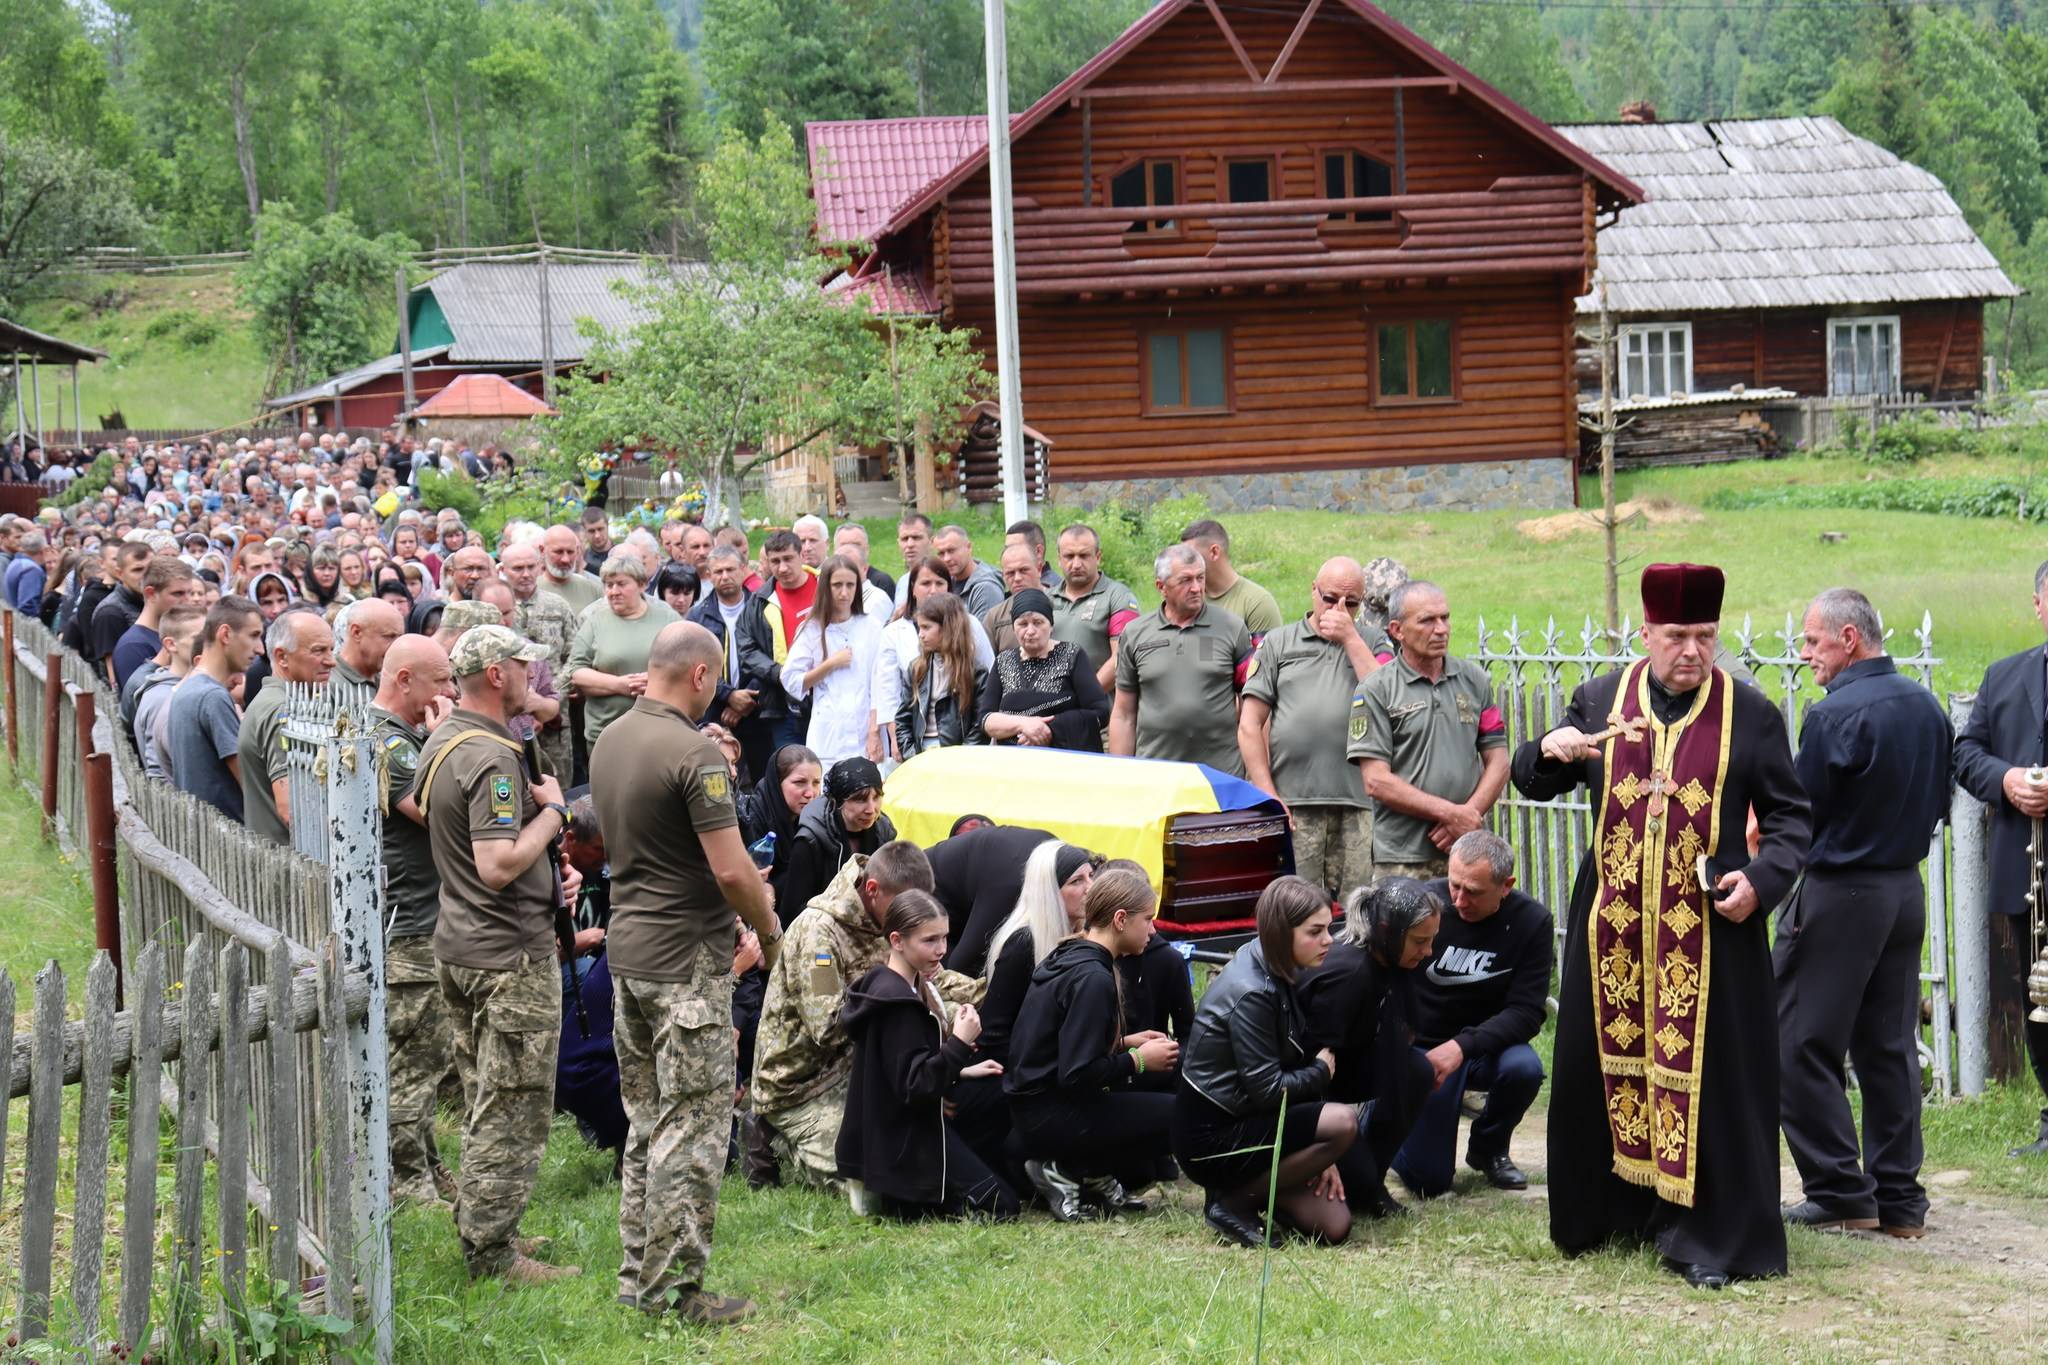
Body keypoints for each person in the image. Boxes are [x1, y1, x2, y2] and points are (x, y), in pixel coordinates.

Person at [1511, 562, 1811, 1289]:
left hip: (1710, 930)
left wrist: (1761, 881)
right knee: (1600, 1069)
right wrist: (1548, 749)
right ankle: (1611, 1212)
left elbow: (1792, 818)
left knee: (1713, 1082)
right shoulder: (1599, 700)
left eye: (1705, 635)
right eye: (1677, 635)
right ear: (1644, 633)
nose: (1692, 650)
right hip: (1611, 929)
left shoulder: (1751, 713)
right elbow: (1532, 777)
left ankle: (1709, 1235)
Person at [592, 621, 780, 1325]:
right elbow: (732, 868)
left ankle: (636, 1273)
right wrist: (768, 929)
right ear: (701, 674)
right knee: (694, 1126)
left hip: (630, 952)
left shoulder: (612, 737)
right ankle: (675, 1292)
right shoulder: (695, 751)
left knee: (648, 1121)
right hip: (684, 963)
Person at [414, 624, 583, 1287]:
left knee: (486, 1096)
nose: (531, 677)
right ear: (495, 674)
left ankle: (489, 1222)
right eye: (522, 666)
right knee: (511, 1106)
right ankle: (492, 1253)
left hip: (461, 942)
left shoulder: (445, 738)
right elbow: (497, 862)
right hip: (506, 955)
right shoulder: (490, 757)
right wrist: (556, 814)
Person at [1779, 589, 1951, 1235]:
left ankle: (1838, 1189)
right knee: (1888, 1046)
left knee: (1794, 1040)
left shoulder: (1832, 715)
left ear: (1849, 638)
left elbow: (1802, 816)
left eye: (1812, 641)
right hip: (1904, 889)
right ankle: (1900, 1201)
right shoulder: (1927, 705)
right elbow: (1940, 800)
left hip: (1841, 890)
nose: (1805, 654)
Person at [749, 840, 947, 1190]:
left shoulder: (889, 921)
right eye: (904, 905)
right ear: (872, 890)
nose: (913, 916)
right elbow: (826, 1026)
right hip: (802, 1085)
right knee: (867, 1178)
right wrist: (889, 988)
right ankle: (771, 1137)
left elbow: (937, 982)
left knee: (925, 1150)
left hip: (865, 1070)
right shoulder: (819, 934)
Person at [1176, 876, 1355, 1247]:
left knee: (1335, 1227)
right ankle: (1231, 1203)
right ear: (1280, 933)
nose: (1328, 940)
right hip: (1213, 1138)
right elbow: (1269, 1090)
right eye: (1315, 931)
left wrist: (1320, 1155)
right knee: (1342, 1122)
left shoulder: (1277, 962)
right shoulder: (1253, 991)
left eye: (1329, 928)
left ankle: (1246, 1192)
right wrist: (1320, 1073)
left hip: (1251, 1120)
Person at [1005, 866, 1179, 1221]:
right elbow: (1076, 1074)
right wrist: (1138, 1060)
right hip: (1048, 1117)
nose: (1152, 930)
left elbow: (1058, 1044)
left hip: (1031, 1108)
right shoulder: (1092, 977)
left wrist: (1123, 1042)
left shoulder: (1070, 955)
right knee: (1181, 1114)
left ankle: (1091, 1169)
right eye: (1147, 919)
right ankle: (1069, 1168)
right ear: (1120, 919)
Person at [837, 889, 1017, 1221]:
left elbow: (897, 1069)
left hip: (903, 1127)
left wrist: (962, 1070)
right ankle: (907, 1200)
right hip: (902, 1144)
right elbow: (915, 1086)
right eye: (930, 940)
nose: (942, 949)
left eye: (945, 937)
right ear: (897, 940)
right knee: (1001, 1207)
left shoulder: (898, 984)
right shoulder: (896, 1002)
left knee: (999, 1092)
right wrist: (959, 1043)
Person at [1390, 831, 1553, 1198]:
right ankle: (1388, 1134)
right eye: (1454, 885)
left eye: (1474, 892)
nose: (1459, 900)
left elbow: (1527, 1012)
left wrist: (1462, 1046)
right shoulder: (1420, 905)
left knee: (1524, 1068)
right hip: (1421, 1047)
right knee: (1428, 1182)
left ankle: (1489, 1149)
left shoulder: (1533, 922)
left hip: (1482, 1048)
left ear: (1506, 885)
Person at [1954, 561, 2048, 1159]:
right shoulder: (2004, 675)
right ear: (2038, 605)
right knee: (2041, 995)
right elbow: (1967, 752)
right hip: (2028, 873)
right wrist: (2008, 779)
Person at [370, 635, 459, 1207]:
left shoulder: (401, 737)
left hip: (420, 915)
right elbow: (435, 812)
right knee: (415, 1062)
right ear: (405, 680)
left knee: (425, 1055)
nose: (449, 690)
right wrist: (443, 740)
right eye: (441, 680)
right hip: (412, 926)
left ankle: (426, 1165)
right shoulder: (391, 743)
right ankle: (408, 1185)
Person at [1239, 557, 1388, 897]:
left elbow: (1387, 697)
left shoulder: (1373, 642)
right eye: (1329, 598)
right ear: (1313, 591)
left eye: (1351, 603)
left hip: (1357, 804)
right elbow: (1249, 724)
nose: (1338, 609)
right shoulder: (1279, 643)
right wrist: (1267, 792)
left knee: (1356, 908)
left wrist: (1350, 638)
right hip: (1293, 803)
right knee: (1294, 905)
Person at [1297, 877, 1442, 1221]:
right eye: (1420, 941)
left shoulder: (1391, 957)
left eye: (1432, 940)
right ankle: (1356, 1179)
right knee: (1356, 1181)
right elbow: (1311, 1062)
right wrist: (1325, 1152)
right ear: (1388, 931)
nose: (1428, 952)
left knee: (1417, 1070)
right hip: (1305, 1084)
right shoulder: (1351, 974)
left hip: (1348, 1066)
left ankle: (1372, 1181)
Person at [955, 840, 1096, 1186]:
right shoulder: (1023, 944)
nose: (1090, 888)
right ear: (1051, 892)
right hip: (1007, 1078)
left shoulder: (1080, 937)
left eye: (1091, 876)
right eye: (1077, 881)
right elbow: (994, 1035)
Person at [1349, 580, 1508, 881]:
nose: (1441, 629)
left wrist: (1467, 816)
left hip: (1467, 855)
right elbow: (1376, 781)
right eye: (1427, 621)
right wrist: (1450, 814)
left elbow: (1499, 760)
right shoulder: (1376, 689)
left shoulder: (1474, 680)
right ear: (1397, 630)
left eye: (1445, 618)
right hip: (1401, 859)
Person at [1108, 544, 1253, 775]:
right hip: (1156, 774)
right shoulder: (1135, 634)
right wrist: (1119, 775)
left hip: (1220, 774)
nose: (1196, 588)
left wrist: (1254, 774)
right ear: (1161, 587)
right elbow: (1124, 714)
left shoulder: (1232, 628)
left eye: (1200, 578)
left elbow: (1251, 709)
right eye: (1185, 580)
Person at [871, 557, 995, 765]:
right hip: (921, 753)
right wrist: (909, 751)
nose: (933, 590)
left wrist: (965, 755)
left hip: (960, 755)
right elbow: (895, 704)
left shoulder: (973, 663)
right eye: (926, 583)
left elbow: (982, 711)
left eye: (940, 583)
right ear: (912, 587)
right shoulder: (915, 665)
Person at [238, 608, 336, 845]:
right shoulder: (281, 709)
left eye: (331, 649)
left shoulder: (279, 701)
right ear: (282, 657)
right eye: (318, 651)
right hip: (289, 858)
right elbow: (292, 810)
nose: (331, 661)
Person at [567, 552, 683, 753]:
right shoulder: (594, 622)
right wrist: (621, 685)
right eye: (608, 585)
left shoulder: (668, 619)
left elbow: (689, 664)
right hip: (607, 733)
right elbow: (577, 673)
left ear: (642, 584)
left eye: (621, 584)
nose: (614, 591)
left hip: (660, 730)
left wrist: (656, 681)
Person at [166, 596, 266, 819]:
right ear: (225, 634)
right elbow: (251, 784)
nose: (260, 649)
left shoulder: (187, 689)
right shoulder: (212, 697)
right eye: (254, 635)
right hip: (225, 831)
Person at [978, 587, 1110, 754]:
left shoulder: (1072, 655)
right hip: (1012, 759)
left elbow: (1099, 712)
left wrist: (1049, 730)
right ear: (1013, 628)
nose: (1030, 631)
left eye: (1038, 622)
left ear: (1051, 625)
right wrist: (1024, 725)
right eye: (1022, 624)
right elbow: (985, 718)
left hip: (1063, 757)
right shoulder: (1003, 661)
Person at [781, 554, 881, 767]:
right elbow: (791, 679)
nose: (844, 593)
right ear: (826, 587)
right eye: (837, 585)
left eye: (850, 585)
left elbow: (880, 683)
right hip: (829, 735)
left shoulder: (871, 627)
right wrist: (830, 664)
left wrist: (874, 730)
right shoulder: (812, 629)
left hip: (866, 730)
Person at [691, 544, 781, 780]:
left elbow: (773, 655)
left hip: (759, 710)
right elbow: (696, 663)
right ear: (709, 575)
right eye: (718, 571)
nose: (725, 576)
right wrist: (729, 695)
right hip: (714, 712)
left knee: (764, 779)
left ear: (743, 569)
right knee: (717, 777)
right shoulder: (697, 616)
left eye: (730, 569)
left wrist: (745, 699)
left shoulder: (764, 609)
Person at [926, 821, 1059, 977]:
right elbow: (964, 964)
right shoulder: (1012, 882)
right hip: (928, 886)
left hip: (982, 878)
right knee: (961, 969)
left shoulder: (1048, 860)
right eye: (1077, 881)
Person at [502, 541, 580, 782]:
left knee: (558, 782)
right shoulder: (499, 608)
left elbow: (575, 656)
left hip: (556, 719)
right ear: (503, 570)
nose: (526, 574)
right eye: (518, 568)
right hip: (511, 719)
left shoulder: (558, 605)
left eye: (531, 567)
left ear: (540, 567)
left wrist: (550, 698)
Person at [780, 756, 897, 916]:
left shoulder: (884, 833)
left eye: (876, 797)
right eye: (860, 799)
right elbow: (792, 910)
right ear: (837, 802)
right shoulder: (810, 841)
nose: (871, 809)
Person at [894, 593, 985, 758]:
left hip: (958, 757)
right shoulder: (916, 669)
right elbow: (903, 719)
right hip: (920, 755)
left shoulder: (975, 672)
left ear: (948, 628)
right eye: (919, 627)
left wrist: (960, 758)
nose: (920, 634)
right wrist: (912, 755)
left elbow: (980, 725)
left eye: (926, 627)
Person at [130, 607, 206, 779]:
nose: (208, 644)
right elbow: (158, 774)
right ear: (170, 644)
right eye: (199, 638)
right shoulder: (161, 698)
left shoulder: (182, 688)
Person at [110, 556, 203, 691]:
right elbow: (137, 697)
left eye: (189, 592)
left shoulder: (181, 636)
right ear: (151, 593)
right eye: (178, 593)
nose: (188, 600)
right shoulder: (133, 646)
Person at [1180, 519, 1281, 639]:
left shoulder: (1257, 604)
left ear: (1214, 552)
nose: (1182, 562)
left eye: (1190, 556)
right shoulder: (1185, 598)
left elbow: (1266, 651)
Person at [89, 541, 153, 678]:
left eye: (150, 569)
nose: (146, 576)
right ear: (120, 573)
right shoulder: (110, 613)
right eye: (137, 570)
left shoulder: (152, 602)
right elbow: (114, 676)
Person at [332, 596, 404, 695]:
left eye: (399, 637)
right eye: (389, 636)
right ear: (357, 633)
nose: (396, 646)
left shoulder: (391, 682)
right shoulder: (328, 685)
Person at [981, 541, 1044, 655]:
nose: (1017, 578)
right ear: (1003, 577)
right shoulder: (995, 618)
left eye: (1024, 570)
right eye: (1010, 573)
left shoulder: (1059, 607)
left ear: (1039, 569)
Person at [932, 525, 1004, 618]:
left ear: (969, 547)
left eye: (951, 551)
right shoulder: (943, 581)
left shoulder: (986, 588)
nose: (947, 558)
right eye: (941, 553)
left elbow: (983, 627)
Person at [540, 524, 603, 614]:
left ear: (577, 551)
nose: (565, 559)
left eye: (570, 552)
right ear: (542, 550)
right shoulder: (529, 591)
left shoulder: (593, 590)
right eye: (558, 552)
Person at [834, 522, 895, 603]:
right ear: (835, 551)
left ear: (867, 549)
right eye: (845, 546)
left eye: (856, 545)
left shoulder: (881, 582)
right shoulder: (825, 580)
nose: (850, 550)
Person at [1004, 518, 1061, 591]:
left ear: (1038, 551)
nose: (1010, 553)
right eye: (1007, 549)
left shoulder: (1055, 590)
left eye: (1016, 548)